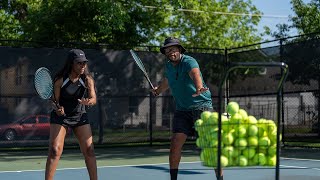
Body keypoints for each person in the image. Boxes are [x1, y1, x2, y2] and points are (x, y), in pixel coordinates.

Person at [151, 37, 223, 180]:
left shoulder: (189, 61)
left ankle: (220, 178)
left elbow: (195, 73)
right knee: (175, 144)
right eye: (167, 50)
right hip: (182, 111)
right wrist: (158, 90)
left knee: (210, 148)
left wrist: (199, 87)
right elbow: (168, 80)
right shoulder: (169, 66)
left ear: (179, 50)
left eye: (173, 49)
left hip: (202, 109)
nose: (170, 52)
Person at [45, 49, 97, 180]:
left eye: (84, 63)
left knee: (89, 150)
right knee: (55, 151)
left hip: (79, 115)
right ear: (71, 64)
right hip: (61, 118)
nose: (83, 66)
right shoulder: (60, 80)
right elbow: (54, 101)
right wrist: (58, 108)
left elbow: (93, 99)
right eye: (79, 63)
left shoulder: (87, 79)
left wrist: (88, 102)